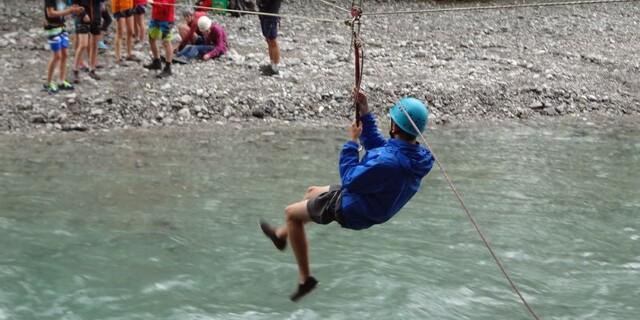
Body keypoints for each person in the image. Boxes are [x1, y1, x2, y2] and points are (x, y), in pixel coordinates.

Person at [260, 93, 434, 301]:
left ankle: (305, 279)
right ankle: (281, 236)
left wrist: (352, 143)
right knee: (311, 192)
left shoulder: (388, 162)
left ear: (394, 127)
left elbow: (350, 179)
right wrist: (365, 113)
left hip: (351, 208)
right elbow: (379, 147)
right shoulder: (417, 156)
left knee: (291, 214)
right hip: (371, 203)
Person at [43, 0, 84, 93]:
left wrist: (74, 10)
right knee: (57, 56)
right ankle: (48, 82)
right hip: (52, 29)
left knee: (65, 54)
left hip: (61, 27)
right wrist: (69, 11)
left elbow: (63, 11)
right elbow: (50, 13)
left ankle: (61, 81)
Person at [144, 0, 176, 78]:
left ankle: (168, 68)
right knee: (151, 38)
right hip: (156, 16)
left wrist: (154, 3)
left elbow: (165, 4)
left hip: (166, 18)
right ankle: (157, 62)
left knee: (166, 42)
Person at [72, 0, 102, 81]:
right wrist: (83, 14)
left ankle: (92, 69)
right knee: (83, 45)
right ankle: (75, 70)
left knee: (95, 45)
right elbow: (74, 6)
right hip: (83, 19)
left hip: (96, 17)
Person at [257, 0, 281, 76]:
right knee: (268, 40)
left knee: (272, 40)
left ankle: (275, 68)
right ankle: (272, 64)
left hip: (271, 15)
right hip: (264, 14)